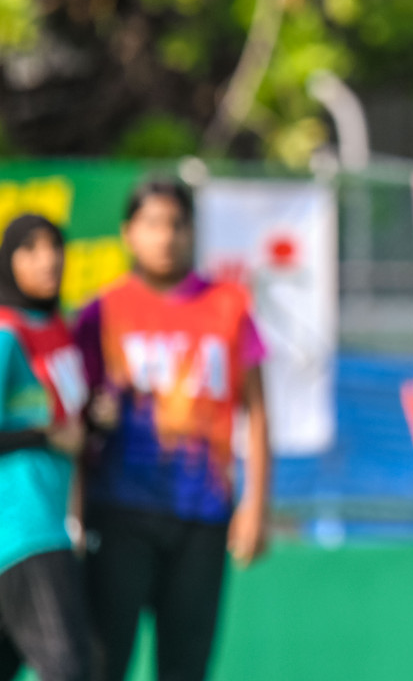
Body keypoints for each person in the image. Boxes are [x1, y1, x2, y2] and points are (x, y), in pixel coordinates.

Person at [73, 179, 270, 681]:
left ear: (192, 231)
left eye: (177, 224)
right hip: (119, 510)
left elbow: (258, 411)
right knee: (102, 661)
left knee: (186, 666)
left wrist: (255, 506)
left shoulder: (228, 305)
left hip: (202, 513)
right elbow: (73, 416)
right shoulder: (101, 311)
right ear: (128, 233)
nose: (166, 236)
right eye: (153, 224)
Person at [0, 214, 90, 681]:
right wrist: (43, 437)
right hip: (20, 527)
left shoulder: (57, 328)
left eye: (54, 246)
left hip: (51, 522)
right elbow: (45, 430)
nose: (48, 258)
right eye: (30, 248)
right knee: (71, 667)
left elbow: (64, 421)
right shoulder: (5, 331)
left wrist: (96, 415)